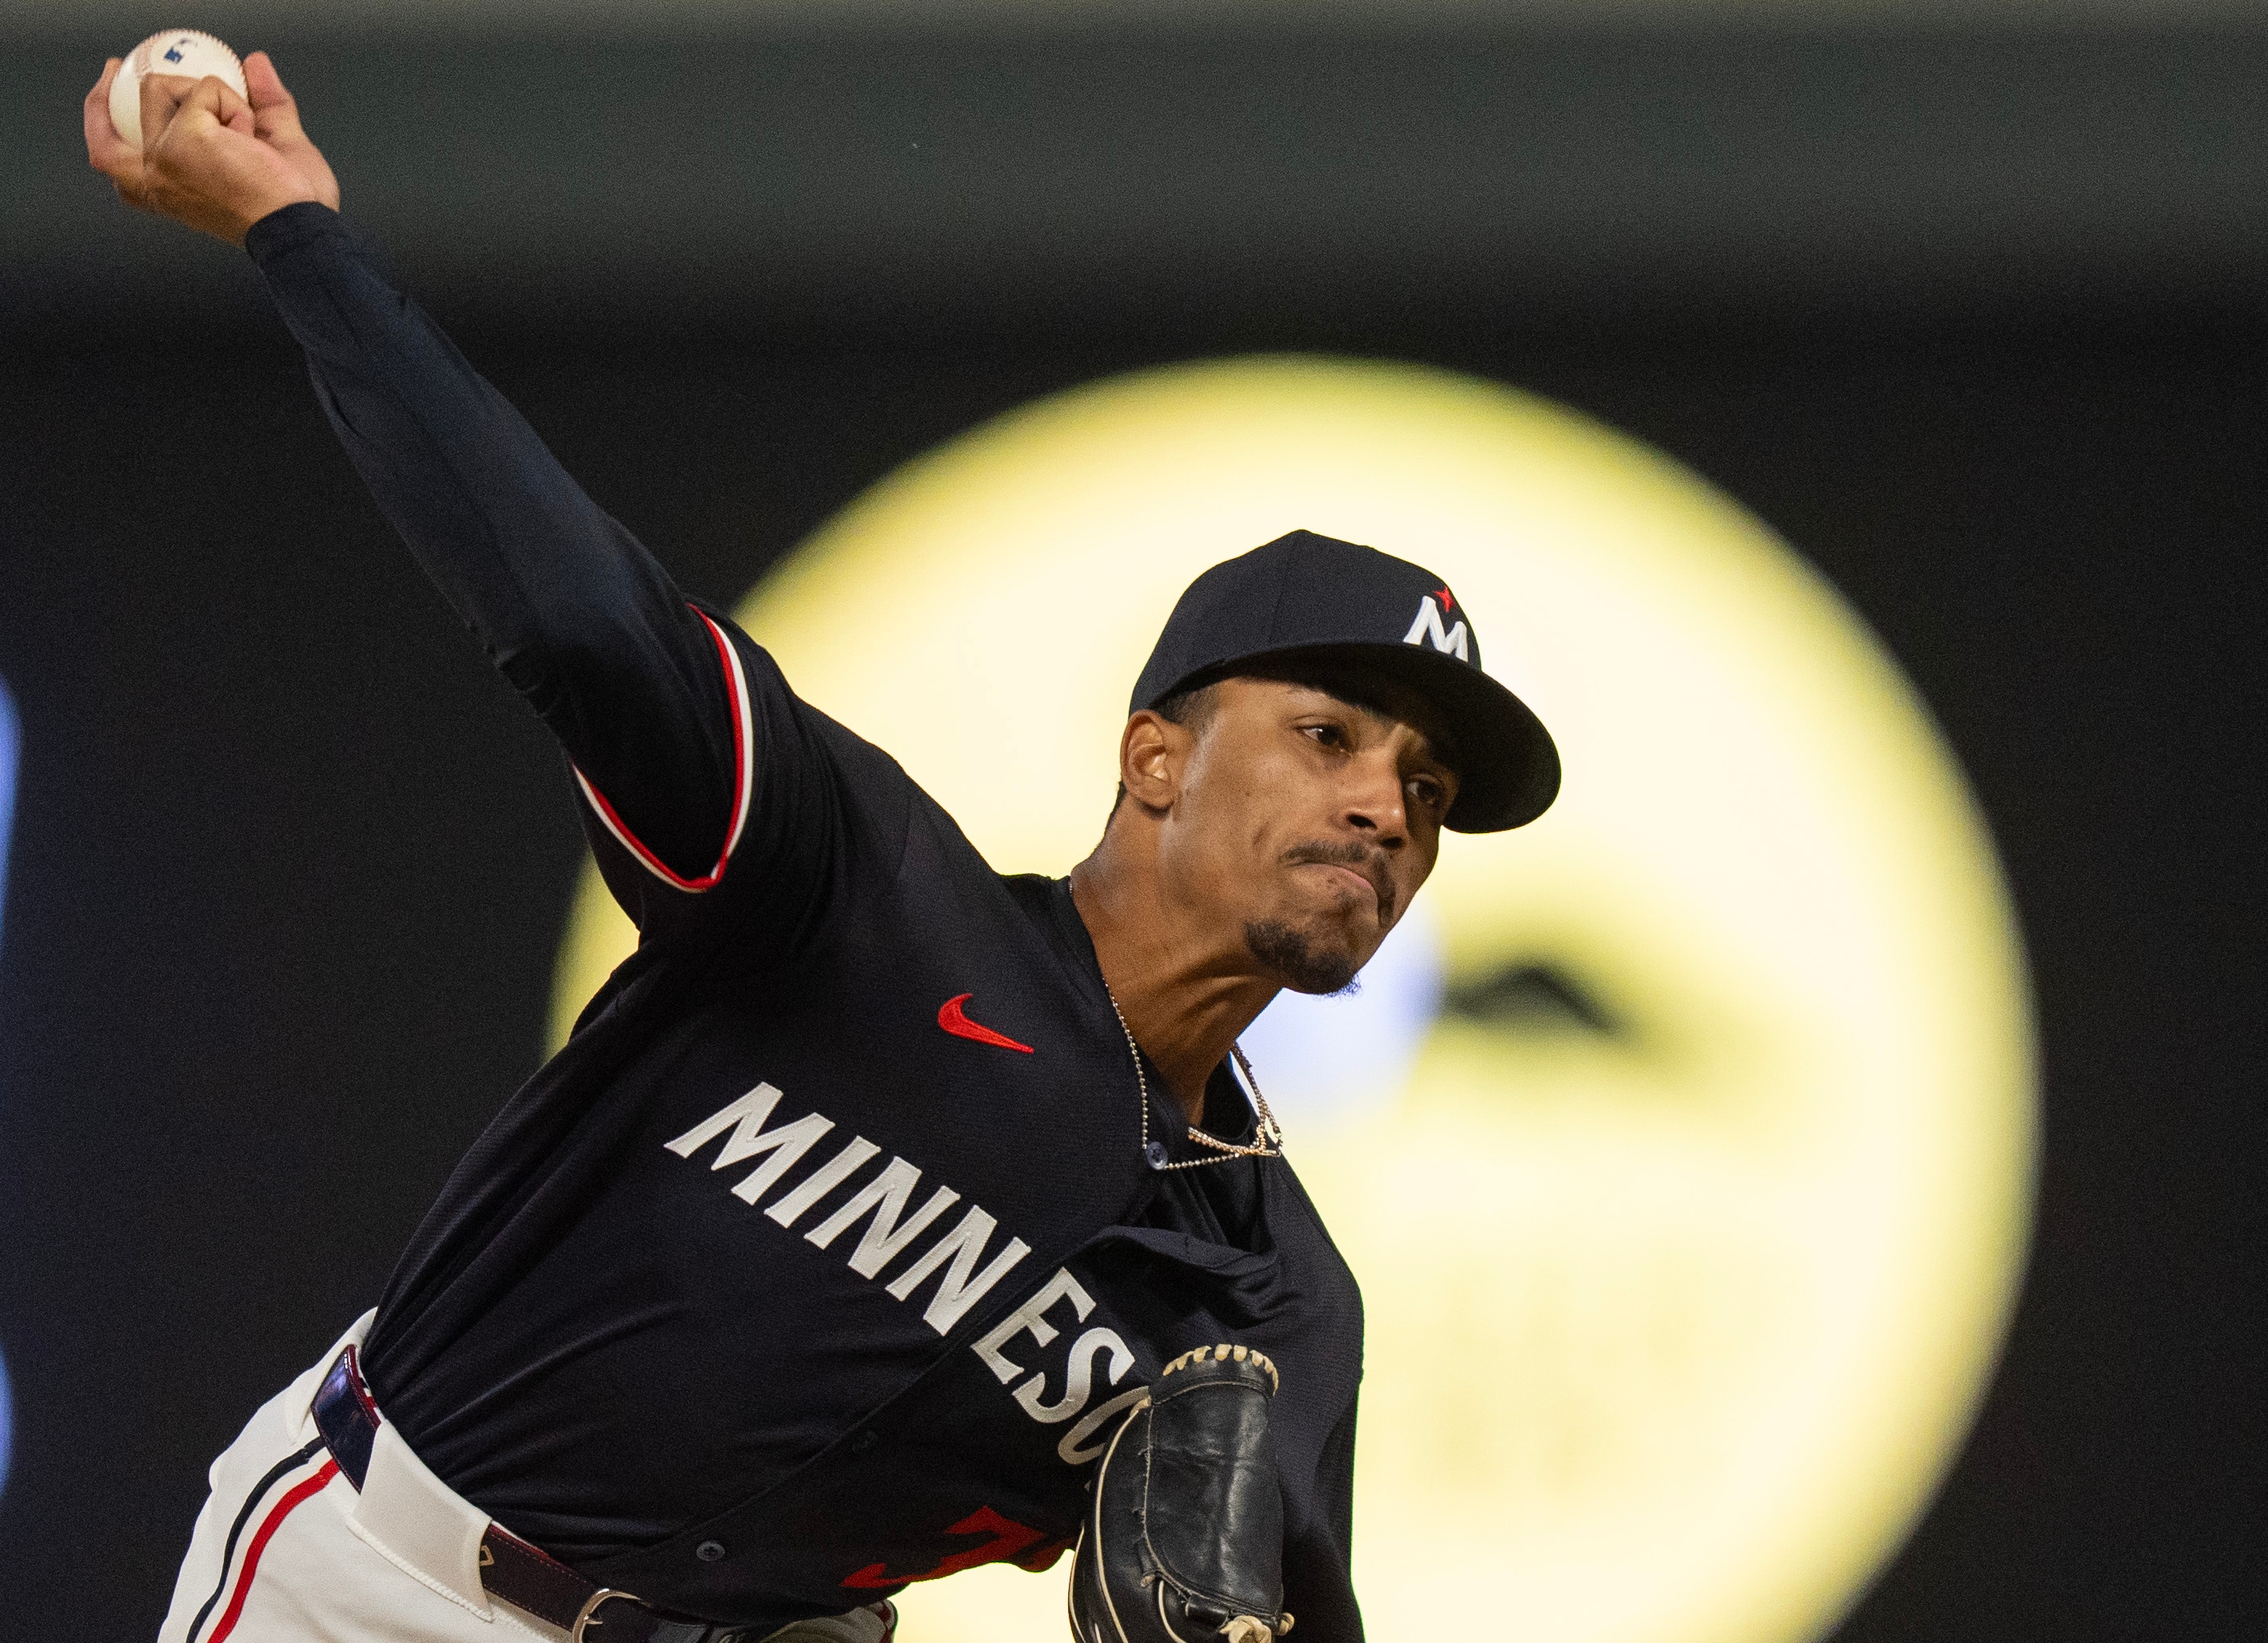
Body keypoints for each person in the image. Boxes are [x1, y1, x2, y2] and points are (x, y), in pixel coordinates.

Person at [85, 51, 1558, 1643]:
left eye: (1424, 790)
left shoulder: (1271, 1297)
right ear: (1154, 758)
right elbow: (577, 613)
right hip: (386, 1579)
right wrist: (297, 236)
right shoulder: (852, 889)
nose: (1381, 807)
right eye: (1329, 736)